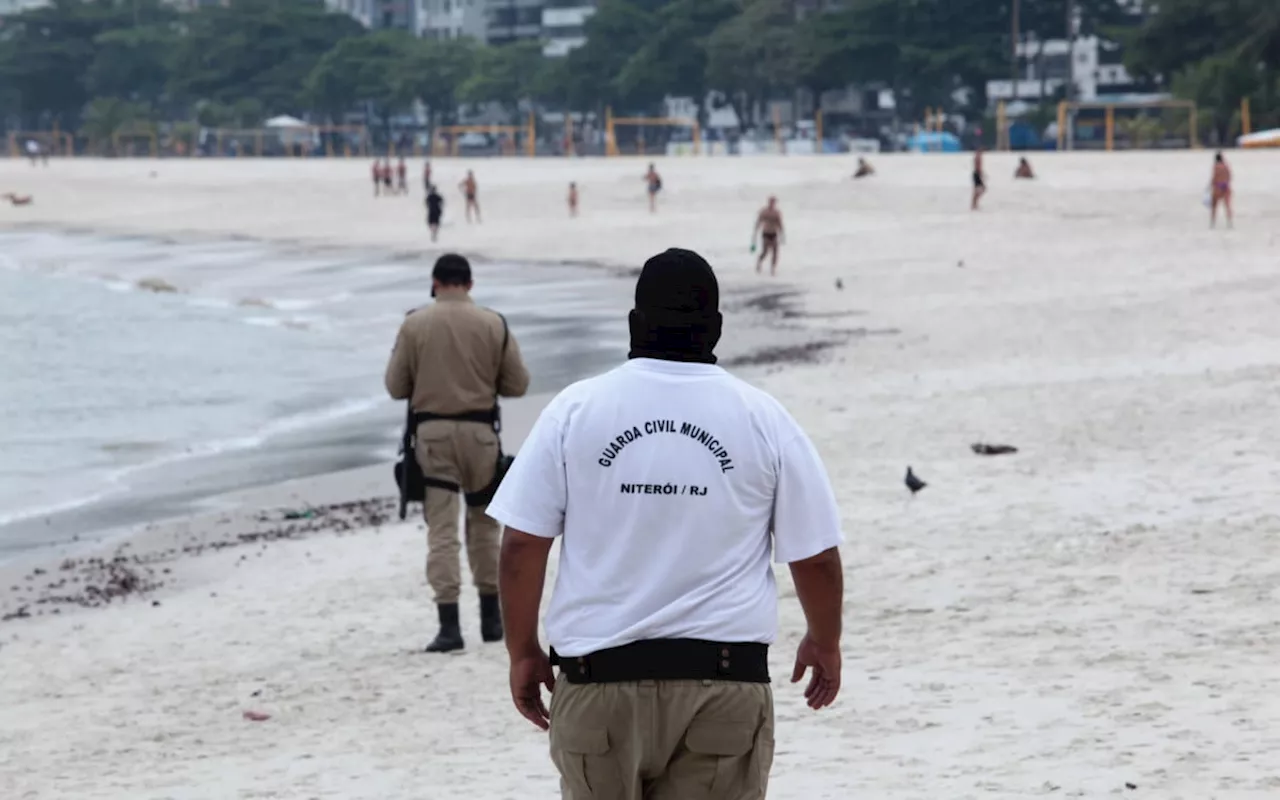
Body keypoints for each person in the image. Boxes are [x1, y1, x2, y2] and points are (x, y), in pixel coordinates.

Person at [489, 248, 845, 799]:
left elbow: (519, 547)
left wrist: (523, 652)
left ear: (634, 324)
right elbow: (816, 556)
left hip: (597, 683)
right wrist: (825, 641)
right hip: (723, 687)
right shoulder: (763, 418)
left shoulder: (575, 411)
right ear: (717, 328)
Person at [384, 254, 531, 652]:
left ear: (434, 282)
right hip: (482, 434)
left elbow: (396, 387)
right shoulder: (493, 323)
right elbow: (517, 384)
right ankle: (491, 619)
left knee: (443, 531)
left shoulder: (415, 324)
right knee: (485, 527)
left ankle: (449, 624)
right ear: (470, 283)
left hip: (433, 436)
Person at [754, 195, 785, 276]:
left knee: (775, 252)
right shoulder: (764, 211)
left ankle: (773, 269)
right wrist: (756, 231)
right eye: (771, 201)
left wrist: (782, 234)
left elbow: (780, 223)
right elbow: (759, 221)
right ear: (769, 202)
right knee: (765, 252)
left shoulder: (777, 213)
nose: (772, 203)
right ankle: (759, 261)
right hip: (766, 234)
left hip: (774, 234)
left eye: (774, 202)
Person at [1210, 151, 1233, 229]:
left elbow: (1214, 177)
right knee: (1227, 206)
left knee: (1214, 206)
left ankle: (1213, 223)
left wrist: (1211, 185)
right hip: (1226, 187)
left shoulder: (1216, 166)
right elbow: (1230, 177)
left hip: (1218, 187)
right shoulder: (1226, 166)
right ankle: (1229, 222)